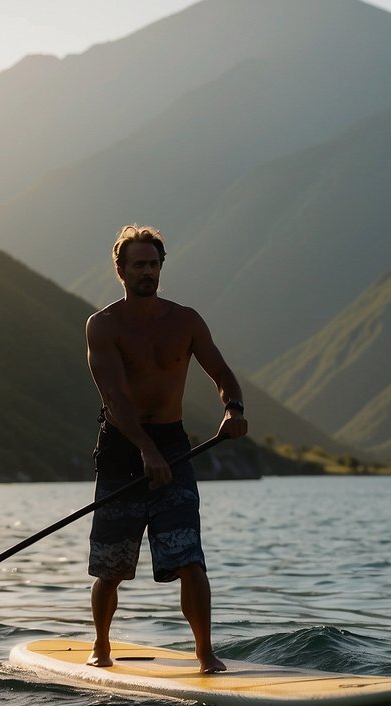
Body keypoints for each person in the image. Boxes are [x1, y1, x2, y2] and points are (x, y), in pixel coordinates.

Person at [84, 224, 248, 673]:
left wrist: (233, 408)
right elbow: (114, 400)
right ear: (120, 270)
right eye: (138, 265)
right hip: (121, 448)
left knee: (189, 558)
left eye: (154, 265)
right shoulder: (103, 327)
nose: (148, 273)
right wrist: (144, 450)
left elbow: (223, 374)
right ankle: (101, 645)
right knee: (111, 566)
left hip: (174, 449)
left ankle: (205, 654)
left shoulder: (186, 321)